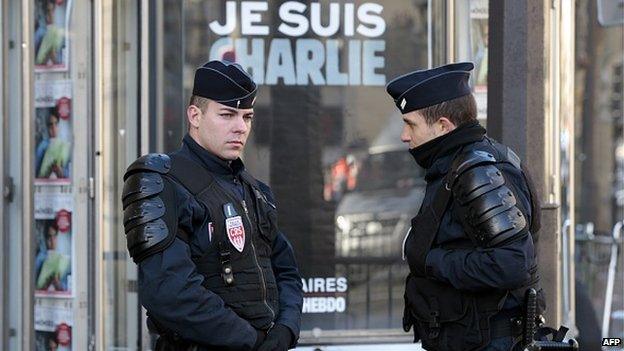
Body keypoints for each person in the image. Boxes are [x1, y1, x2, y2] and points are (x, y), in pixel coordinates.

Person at [122, 60, 303, 351]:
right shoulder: (163, 180)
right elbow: (170, 292)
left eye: (247, 117)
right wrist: (253, 342)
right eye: (227, 115)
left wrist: (285, 330)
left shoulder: (255, 191)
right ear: (195, 115)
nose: (240, 127)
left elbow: (286, 271)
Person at [386, 62, 543, 351]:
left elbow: (511, 265)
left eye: (411, 124)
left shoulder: (477, 172)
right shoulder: (457, 163)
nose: (404, 136)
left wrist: (432, 261)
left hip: (486, 340)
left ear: (443, 125)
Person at [36, 109, 71, 179]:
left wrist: (62, 172)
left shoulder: (66, 146)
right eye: (50, 125)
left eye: (56, 124)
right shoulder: (42, 146)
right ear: (47, 127)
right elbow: (35, 171)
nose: (53, 128)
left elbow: (72, 171)